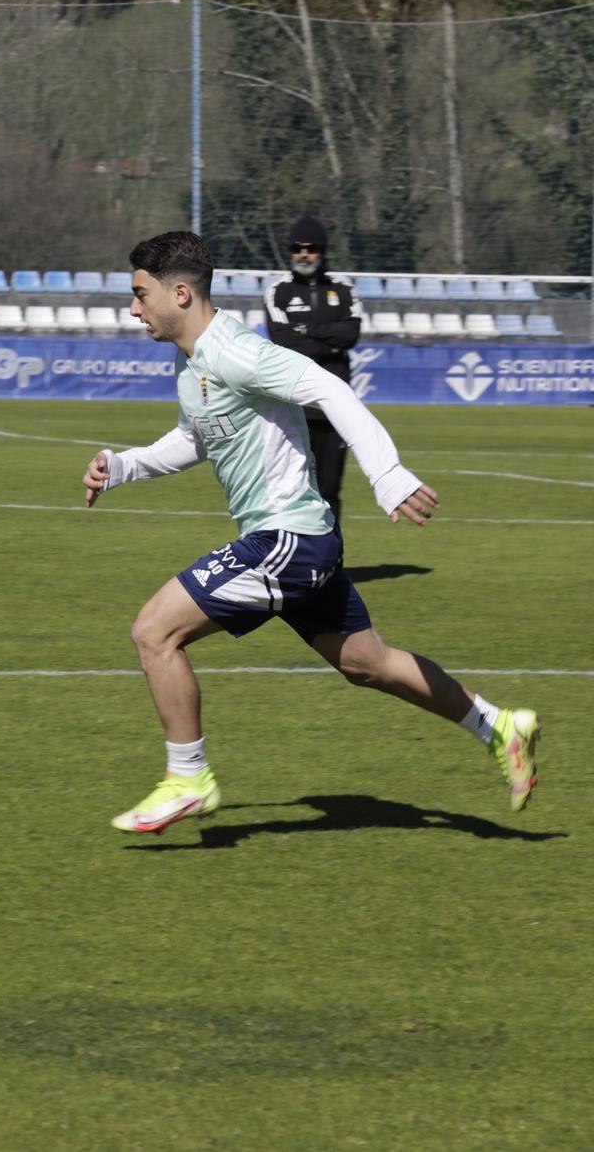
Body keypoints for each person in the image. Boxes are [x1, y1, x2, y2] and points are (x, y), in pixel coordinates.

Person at [81, 231, 539, 834]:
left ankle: (188, 778)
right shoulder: (192, 364)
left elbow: (330, 388)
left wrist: (387, 474)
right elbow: (197, 436)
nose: (134, 308)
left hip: (285, 541)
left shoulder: (236, 351)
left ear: (182, 293)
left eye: (141, 295)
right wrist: (125, 466)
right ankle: (500, 726)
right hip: (301, 541)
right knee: (368, 664)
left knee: (154, 631)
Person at [264, 215, 363, 531]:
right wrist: (326, 343)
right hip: (293, 410)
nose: (303, 254)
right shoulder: (277, 291)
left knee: (330, 490)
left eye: (311, 248)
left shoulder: (343, 289)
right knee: (291, 492)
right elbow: (283, 341)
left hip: (336, 410)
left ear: (322, 251)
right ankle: (295, 563)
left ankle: (332, 563)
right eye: (297, 248)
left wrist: (306, 332)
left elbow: (350, 335)